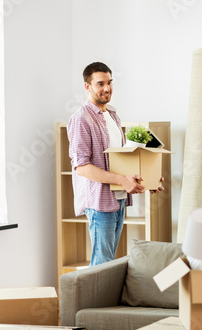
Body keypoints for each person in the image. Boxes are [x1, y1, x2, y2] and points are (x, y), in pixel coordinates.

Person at [67, 62, 163, 266]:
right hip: (99, 203)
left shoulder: (112, 115)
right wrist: (121, 180)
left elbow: (120, 159)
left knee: (109, 264)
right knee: (102, 264)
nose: (107, 88)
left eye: (109, 82)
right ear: (87, 86)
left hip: (118, 198)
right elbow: (81, 167)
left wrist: (149, 180)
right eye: (100, 83)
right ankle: (95, 299)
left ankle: (103, 299)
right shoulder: (81, 120)